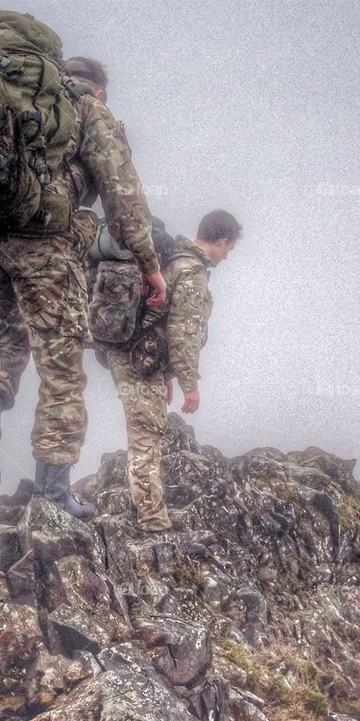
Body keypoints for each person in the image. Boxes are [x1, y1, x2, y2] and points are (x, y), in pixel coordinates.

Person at [0, 55, 166, 518]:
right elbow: (122, 197)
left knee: (1, 342)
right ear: (99, 89)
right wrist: (149, 263)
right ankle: (52, 495)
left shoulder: (2, 100)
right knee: (61, 373)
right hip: (43, 247)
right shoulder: (87, 109)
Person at [105, 209, 241, 533]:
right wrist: (189, 384)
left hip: (138, 357)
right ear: (221, 242)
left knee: (146, 430)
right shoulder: (191, 271)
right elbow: (183, 331)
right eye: (230, 249)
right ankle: (152, 520)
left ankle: (148, 509)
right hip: (138, 361)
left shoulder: (171, 259)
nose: (227, 256)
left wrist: (166, 375)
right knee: (146, 433)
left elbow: (160, 322)